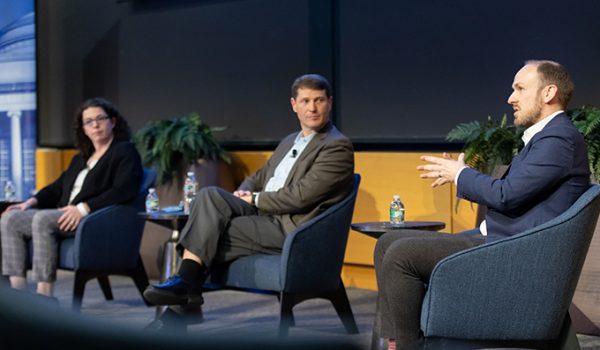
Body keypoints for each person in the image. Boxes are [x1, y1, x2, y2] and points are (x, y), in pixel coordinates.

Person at [374, 60, 590, 349]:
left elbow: (506, 194)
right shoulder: (548, 137)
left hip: (513, 251)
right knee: (387, 242)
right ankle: (394, 341)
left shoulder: (559, 139)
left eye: (519, 89)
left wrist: (460, 175)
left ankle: (408, 345)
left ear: (549, 93)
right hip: (502, 239)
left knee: (403, 254)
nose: (510, 98)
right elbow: (513, 194)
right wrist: (461, 175)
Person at [143, 74, 355, 307]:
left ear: (330, 103)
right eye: (305, 101)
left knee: (211, 233)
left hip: (291, 227)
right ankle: (185, 287)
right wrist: (240, 196)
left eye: (319, 100)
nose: (312, 108)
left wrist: (254, 199)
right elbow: (258, 178)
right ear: (294, 105)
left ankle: (182, 292)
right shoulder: (289, 141)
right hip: (263, 215)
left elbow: (301, 196)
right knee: (209, 195)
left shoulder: (336, 146)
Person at [1, 97, 143, 298]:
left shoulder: (124, 151)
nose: (95, 124)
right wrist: (30, 202)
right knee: (10, 219)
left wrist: (83, 208)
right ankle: (18, 294)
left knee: (42, 219)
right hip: (65, 214)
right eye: (89, 121)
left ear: (113, 121)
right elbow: (57, 187)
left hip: (92, 219)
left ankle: (44, 295)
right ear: (83, 129)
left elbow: (124, 189)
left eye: (100, 118)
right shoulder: (82, 157)